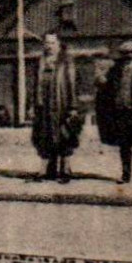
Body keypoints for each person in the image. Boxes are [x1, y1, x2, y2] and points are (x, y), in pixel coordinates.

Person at [95, 41, 132, 184]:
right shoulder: (115, 70)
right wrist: (101, 81)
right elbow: (107, 87)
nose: (128, 56)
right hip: (121, 113)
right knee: (124, 146)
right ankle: (125, 175)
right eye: (125, 53)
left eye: (131, 53)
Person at [32, 32, 79, 183]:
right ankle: (48, 169)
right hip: (44, 105)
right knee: (45, 135)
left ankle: (65, 169)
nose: (49, 46)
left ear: (58, 44)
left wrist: (73, 106)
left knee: (64, 134)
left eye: (52, 43)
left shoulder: (66, 60)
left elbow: (72, 84)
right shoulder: (40, 61)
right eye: (46, 43)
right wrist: (32, 105)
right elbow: (34, 86)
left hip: (62, 103)